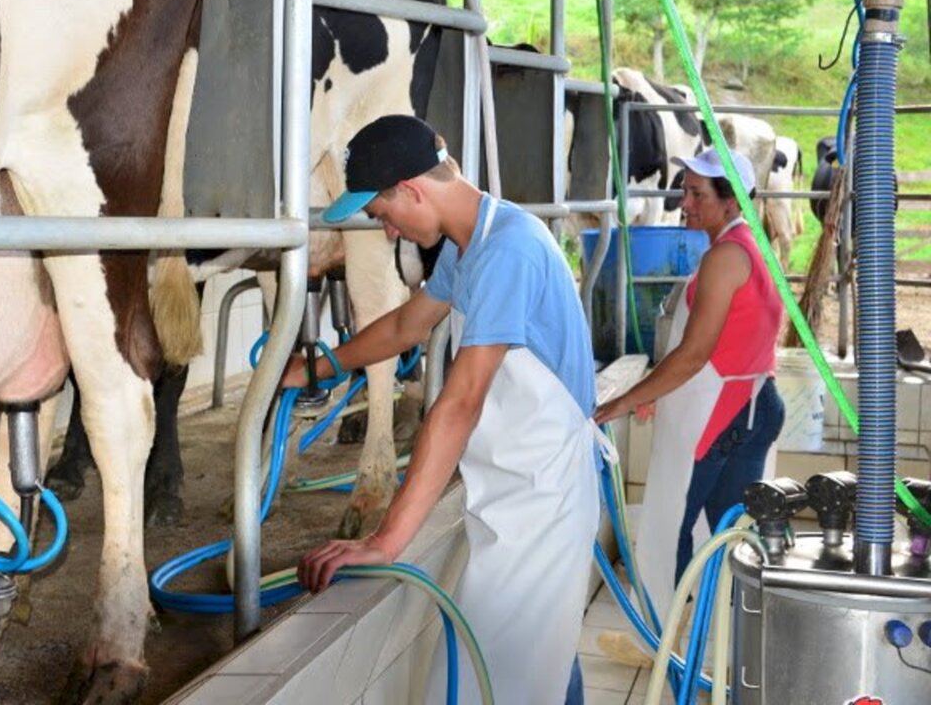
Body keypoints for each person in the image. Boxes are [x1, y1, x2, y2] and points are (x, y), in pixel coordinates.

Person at [285, 114, 600, 704]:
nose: (388, 233)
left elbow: (458, 405)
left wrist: (386, 541)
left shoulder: (509, 250)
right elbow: (408, 325)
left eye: (382, 215)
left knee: (501, 679)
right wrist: (317, 366)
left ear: (410, 190)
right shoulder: (474, 241)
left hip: (542, 500)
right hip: (510, 489)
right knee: (536, 669)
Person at [594, 148, 786, 629]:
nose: (684, 203)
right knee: (729, 536)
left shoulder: (725, 256)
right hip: (753, 406)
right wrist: (661, 391)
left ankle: (664, 642)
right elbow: (740, 343)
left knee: (673, 527)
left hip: (720, 417)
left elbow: (694, 353)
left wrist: (624, 400)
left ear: (731, 201)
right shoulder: (753, 247)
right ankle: (724, 645)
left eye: (697, 193)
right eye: (684, 190)